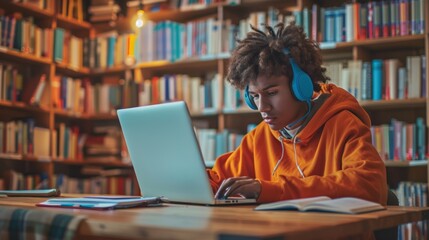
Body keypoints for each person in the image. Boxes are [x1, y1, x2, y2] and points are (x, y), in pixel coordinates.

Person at [207, 22, 387, 206]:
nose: (262, 107)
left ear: (301, 87)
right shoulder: (259, 137)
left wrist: (268, 189)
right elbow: (216, 180)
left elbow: (370, 186)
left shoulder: (343, 124)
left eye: (271, 93)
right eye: (254, 96)